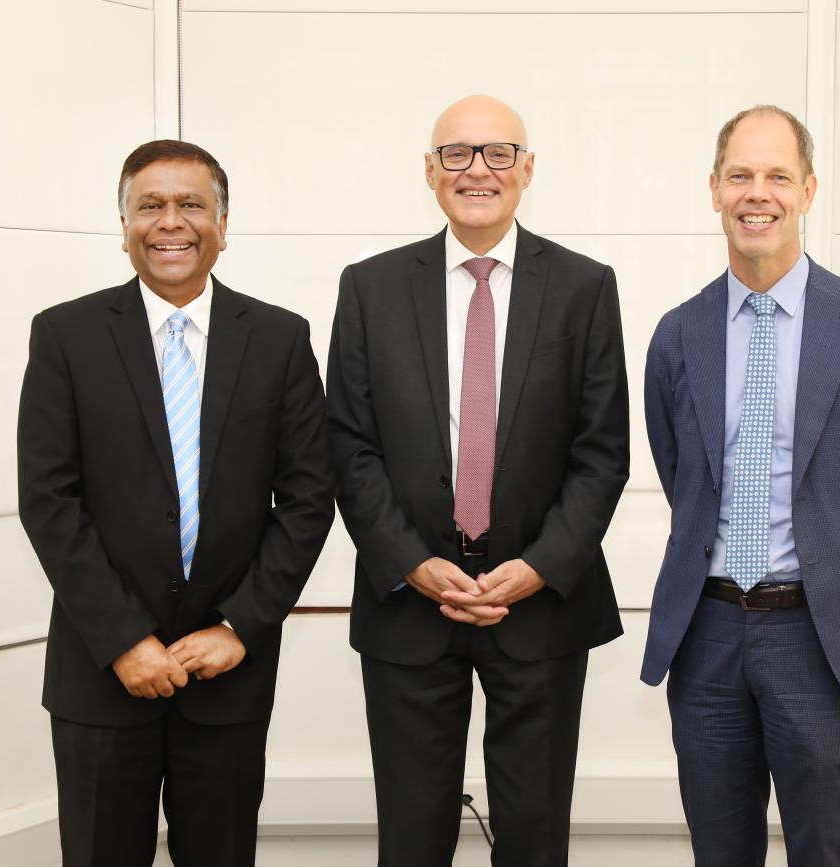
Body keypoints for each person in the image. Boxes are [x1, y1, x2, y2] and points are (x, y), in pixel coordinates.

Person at [326, 94, 629, 866]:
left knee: (534, 838)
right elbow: (350, 447)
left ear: (527, 169)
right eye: (457, 153)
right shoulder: (370, 287)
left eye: (498, 153)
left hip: (541, 602)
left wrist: (536, 568)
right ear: (430, 171)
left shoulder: (586, 287)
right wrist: (412, 563)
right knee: (412, 836)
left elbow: (602, 452)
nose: (477, 170)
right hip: (408, 601)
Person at [17, 139, 334, 867]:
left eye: (191, 204)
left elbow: (310, 498)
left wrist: (241, 626)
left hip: (229, 674)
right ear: (122, 222)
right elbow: (48, 499)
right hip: (101, 674)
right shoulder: (65, 335)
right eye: (149, 205)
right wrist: (125, 639)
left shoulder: (281, 339)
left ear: (224, 223)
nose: (171, 222)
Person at [640, 105, 840, 866]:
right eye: (740, 175)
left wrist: (835, 559)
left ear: (809, 189)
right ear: (713, 190)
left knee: (825, 851)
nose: (756, 193)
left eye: (776, 175)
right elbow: (683, 476)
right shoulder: (678, 333)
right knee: (719, 852)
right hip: (706, 638)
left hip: (820, 637)